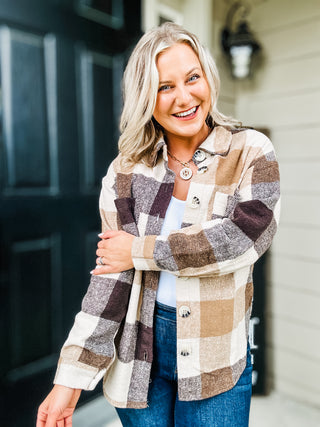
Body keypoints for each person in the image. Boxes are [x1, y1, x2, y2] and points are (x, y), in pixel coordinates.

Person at [37, 22, 280, 427]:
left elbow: (243, 238)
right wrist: (71, 379)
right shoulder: (126, 172)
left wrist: (138, 250)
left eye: (192, 78)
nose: (184, 98)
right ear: (145, 97)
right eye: (165, 86)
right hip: (137, 352)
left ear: (208, 77)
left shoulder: (250, 151)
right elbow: (110, 279)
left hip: (216, 358)